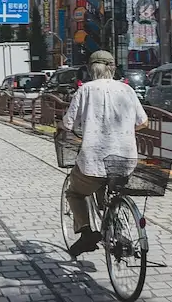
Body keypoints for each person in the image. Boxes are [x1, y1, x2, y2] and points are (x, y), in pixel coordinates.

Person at [61, 50, 149, 258]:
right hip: (125, 161)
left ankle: (85, 233)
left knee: (75, 192)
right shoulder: (127, 90)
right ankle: (116, 227)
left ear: (91, 69)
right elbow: (143, 122)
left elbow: (67, 124)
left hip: (94, 160)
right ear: (112, 68)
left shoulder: (85, 90)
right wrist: (124, 131)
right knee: (111, 188)